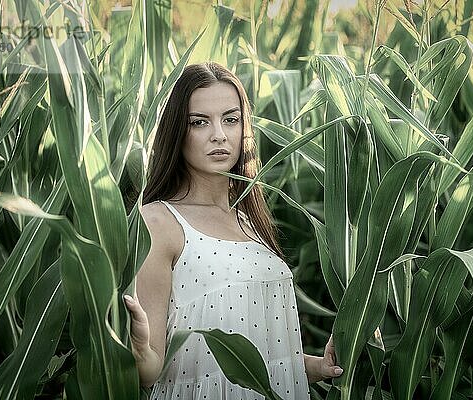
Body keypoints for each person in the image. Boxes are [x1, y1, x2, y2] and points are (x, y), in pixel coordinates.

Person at [123, 62, 343, 399]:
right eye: (199, 122)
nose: (219, 135)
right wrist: (138, 350)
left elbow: (255, 347)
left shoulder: (251, 219)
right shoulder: (159, 222)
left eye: (231, 119)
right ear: (176, 132)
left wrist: (315, 366)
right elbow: (152, 370)